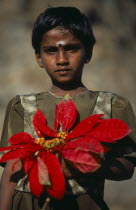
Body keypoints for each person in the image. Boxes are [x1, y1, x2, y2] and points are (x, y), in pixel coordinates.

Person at [0, 6, 136, 210]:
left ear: (88, 52)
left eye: (71, 48)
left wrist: (89, 165)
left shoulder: (112, 104)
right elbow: (13, 167)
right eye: (51, 50)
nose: (62, 59)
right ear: (39, 57)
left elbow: (127, 166)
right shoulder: (22, 105)